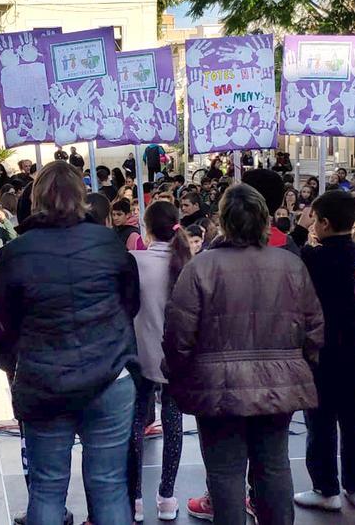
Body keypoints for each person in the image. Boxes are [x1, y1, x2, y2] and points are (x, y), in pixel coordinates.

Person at [0, 161, 140, 525]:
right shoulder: (109, 244)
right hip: (109, 376)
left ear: (36, 198)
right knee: (110, 487)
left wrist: (14, 365)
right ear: (82, 196)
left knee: (47, 488)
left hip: (44, 379)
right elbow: (131, 304)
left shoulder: (16, 252)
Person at [163, 184, 323, 525]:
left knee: (224, 472)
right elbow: (314, 326)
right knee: (274, 465)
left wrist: (179, 375)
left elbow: (178, 335)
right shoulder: (290, 265)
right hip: (279, 382)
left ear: (224, 222)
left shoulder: (201, 267)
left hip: (217, 385)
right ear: (264, 220)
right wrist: (301, 364)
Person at [292, 191, 355, 512]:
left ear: (323, 222)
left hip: (320, 351)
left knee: (321, 421)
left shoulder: (313, 257)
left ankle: (326, 488)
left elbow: (289, 255)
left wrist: (299, 230)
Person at [128, 201, 191, 521]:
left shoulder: (134, 261)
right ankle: (167, 497)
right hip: (177, 358)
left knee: (136, 425)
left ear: (147, 227)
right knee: (174, 424)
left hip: (139, 355)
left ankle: (135, 499)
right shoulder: (188, 263)